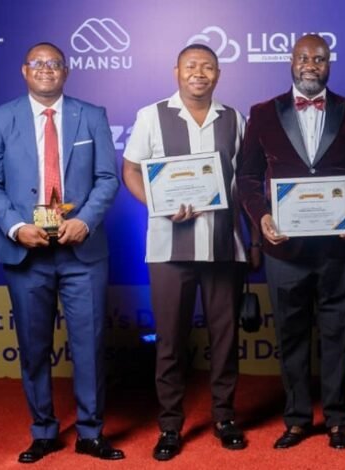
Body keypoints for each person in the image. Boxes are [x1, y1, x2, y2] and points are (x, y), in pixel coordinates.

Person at [0, 42, 123, 463]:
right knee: (34, 345)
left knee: (89, 345)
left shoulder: (91, 115)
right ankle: (43, 431)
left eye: (54, 64)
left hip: (83, 252)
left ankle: (91, 432)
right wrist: (17, 227)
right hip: (26, 253)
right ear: (24, 71)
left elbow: (107, 178)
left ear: (66, 71)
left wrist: (87, 220)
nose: (46, 70)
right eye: (37, 64)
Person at [237, 34, 345, 450]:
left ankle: (336, 417)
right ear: (290, 62)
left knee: (339, 333)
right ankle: (296, 418)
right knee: (292, 336)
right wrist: (262, 218)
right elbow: (246, 178)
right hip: (284, 250)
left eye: (319, 58)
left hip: (338, 247)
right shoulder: (262, 113)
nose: (310, 64)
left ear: (329, 63)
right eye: (303, 57)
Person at [122, 44, 256, 460]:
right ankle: (170, 425)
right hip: (168, 246)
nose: (199, 73)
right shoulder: (151, 116)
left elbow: (246, 183)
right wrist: (159, 205)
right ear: (176, 70)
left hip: (224, 245)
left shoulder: (235, 118)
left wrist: (252, 240)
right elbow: (130, 170)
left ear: (218, 74)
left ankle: (224, 417)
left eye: (208, 67)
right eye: (191, 66)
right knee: (170, 341)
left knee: (225, 338)